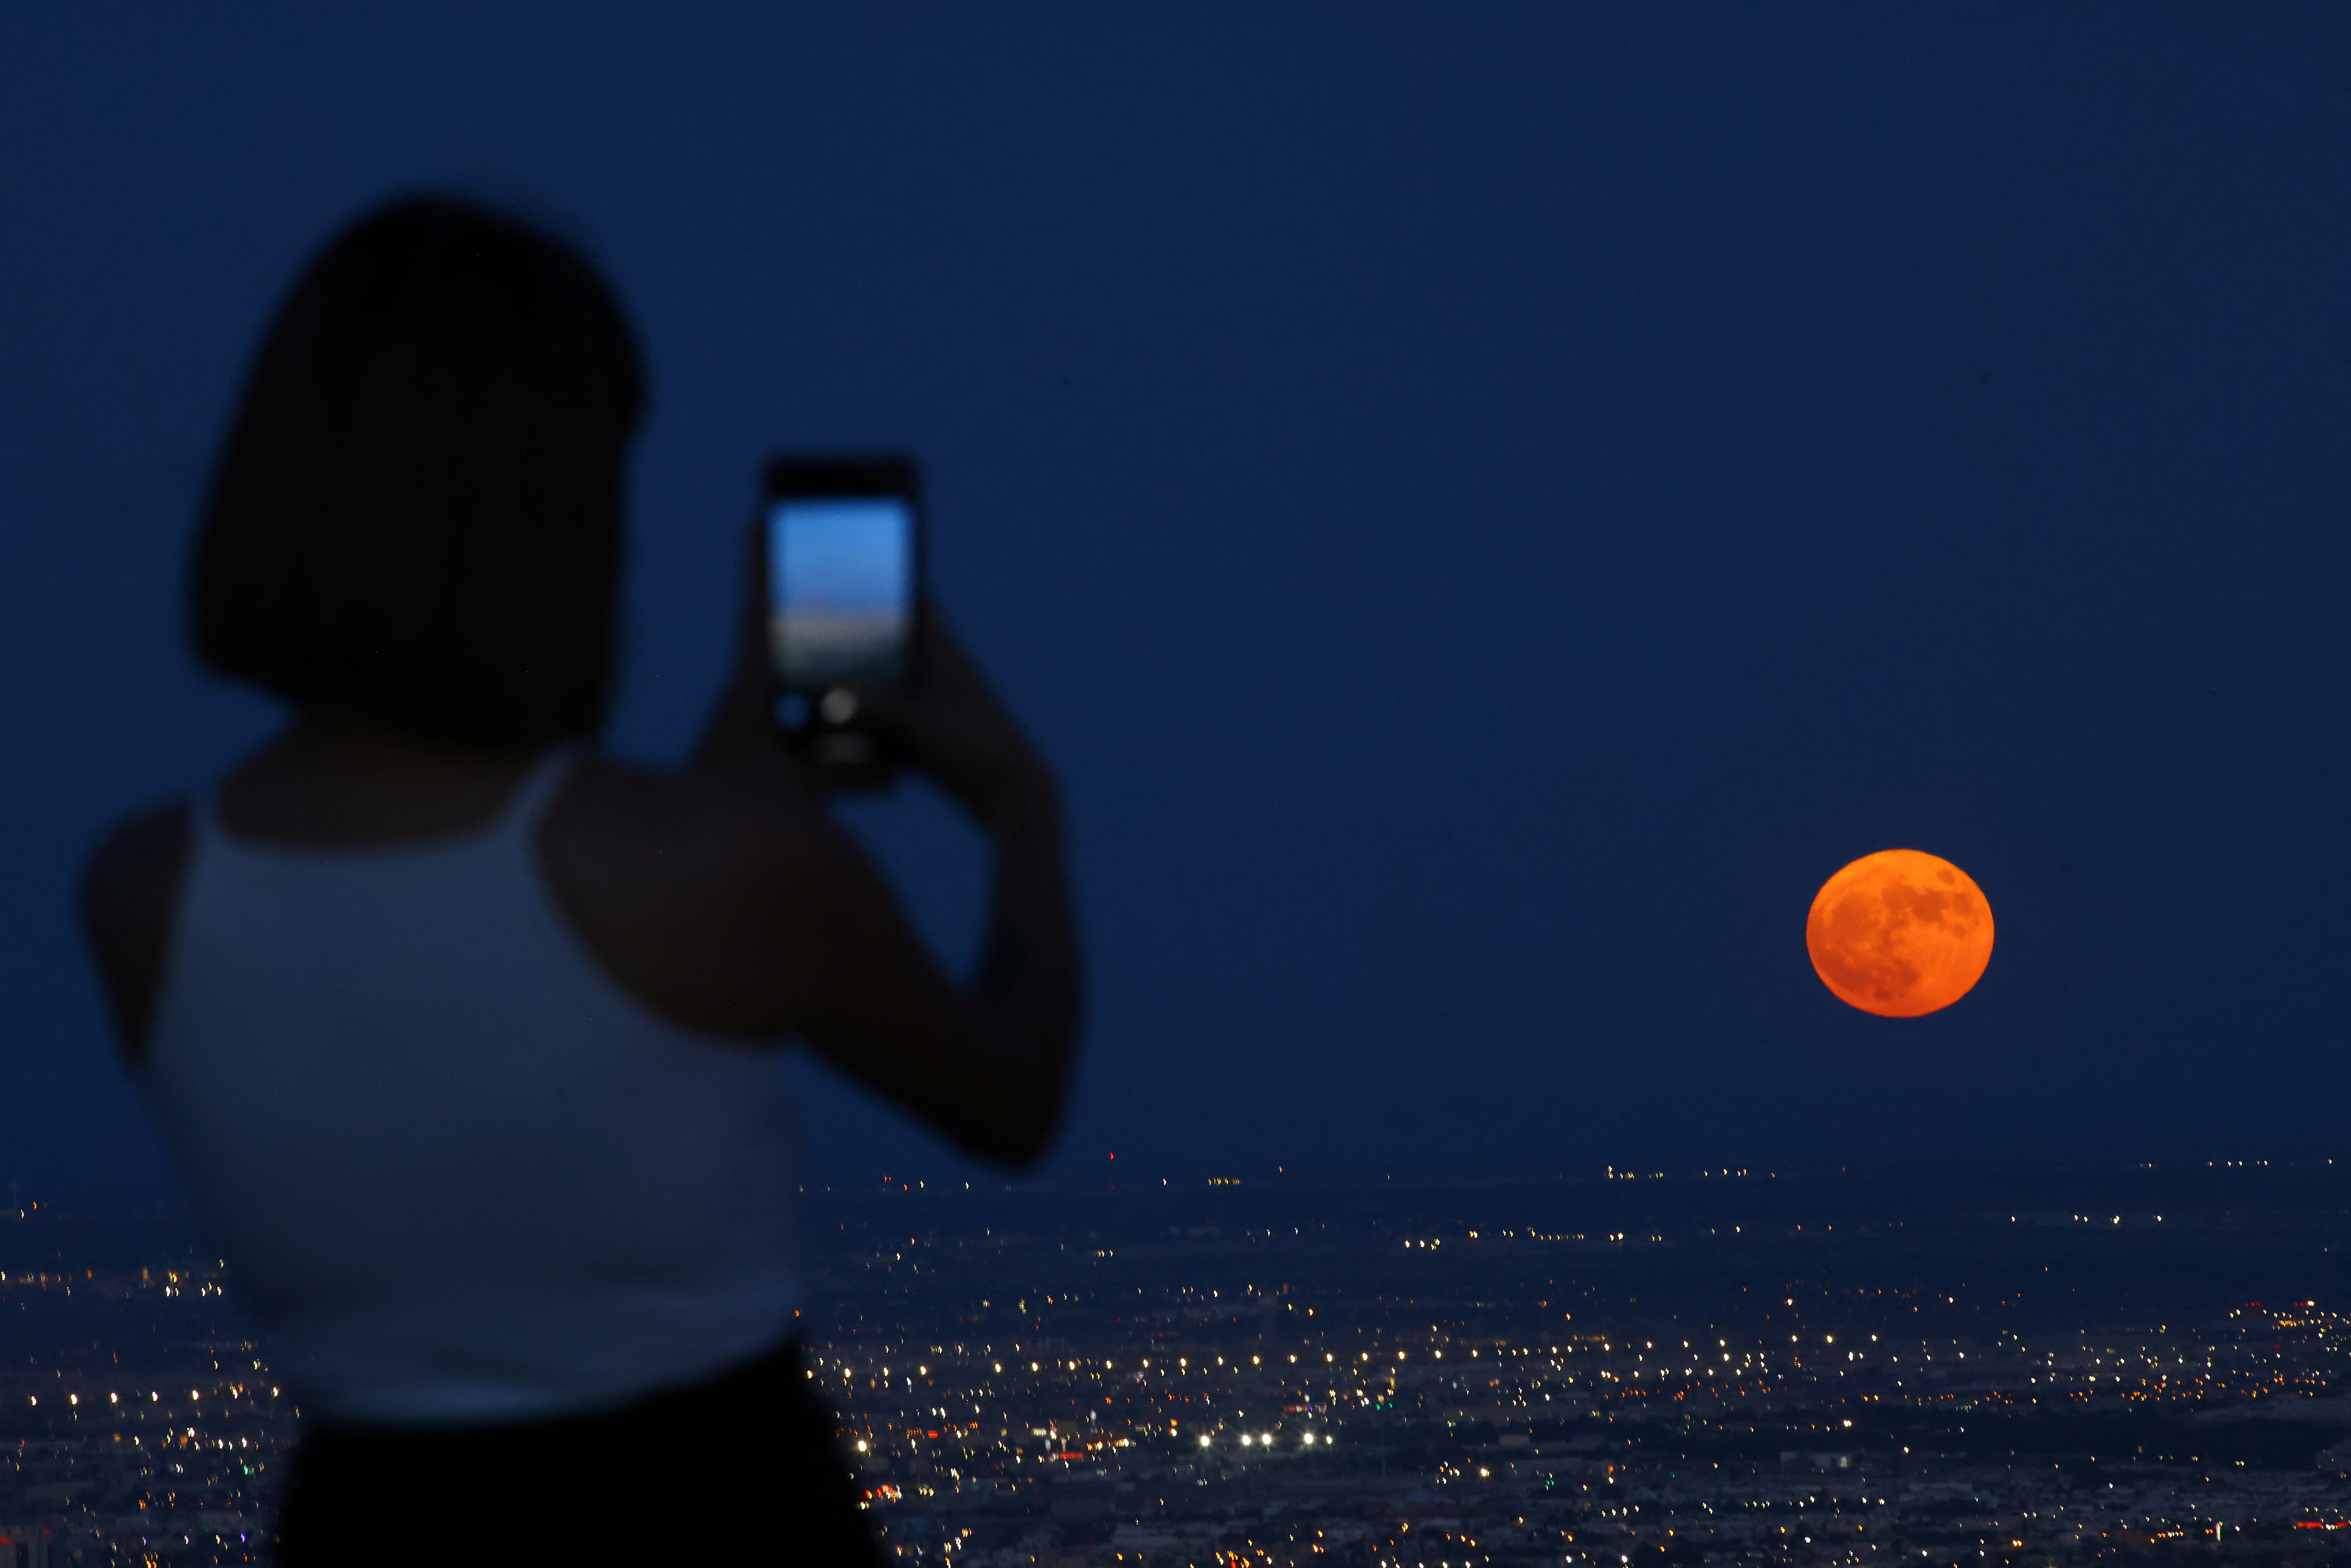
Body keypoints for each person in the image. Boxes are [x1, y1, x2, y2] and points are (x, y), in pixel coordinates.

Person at [76, 195, 1079, 1564]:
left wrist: (736, 746)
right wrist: (1025, 809)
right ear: (558, 521)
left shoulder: (143, 895)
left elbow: (525, 946)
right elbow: (1010, 1094)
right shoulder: (722, 871)